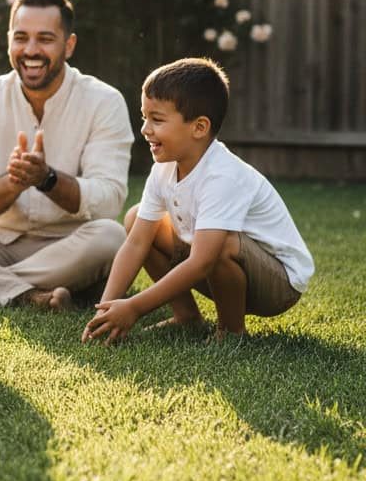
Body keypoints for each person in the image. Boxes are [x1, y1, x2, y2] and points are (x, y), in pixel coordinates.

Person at [82, 57, 314, 343]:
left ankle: (230, 333)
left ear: (199, 128)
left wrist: (134, 307)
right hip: (217, 264)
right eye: (144, 117)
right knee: (136, 218)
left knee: (220, 245)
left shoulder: (222, 176)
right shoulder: (163, 169)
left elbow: (203, 261)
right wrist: (105, 310)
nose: (145, 128)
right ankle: (186, 317)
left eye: (157, 119)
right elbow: (136, 243)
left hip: (277, 284)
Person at [0, 0, 133, 309]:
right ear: (9, 41)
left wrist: (47, 179)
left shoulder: (105, 102)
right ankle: (28, 295)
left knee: (113, 237)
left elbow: (108, 199)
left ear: (69, 45)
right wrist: (13, 183)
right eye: (21, 38)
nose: (31, 50)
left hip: (71, 244)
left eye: (45, 39)